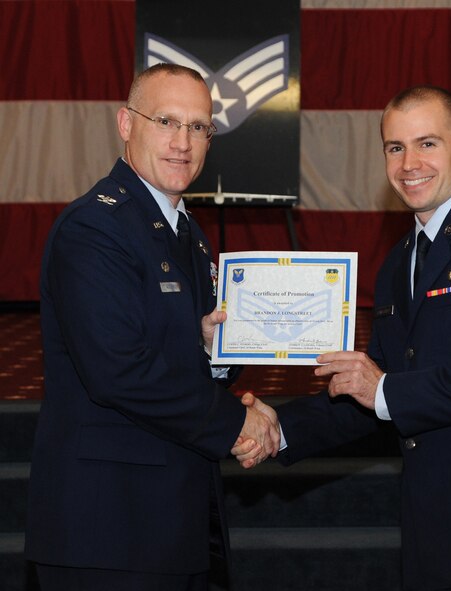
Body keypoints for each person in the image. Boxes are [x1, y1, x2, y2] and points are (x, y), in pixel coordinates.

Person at [237, 85, 451, 590]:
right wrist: (279, 427)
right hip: (433, 532)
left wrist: (385, 391)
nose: (408, 163)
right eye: (395, 148)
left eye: (427, 144)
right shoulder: (400, 261)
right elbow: (369, 388)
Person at [25, 63, 279, 591]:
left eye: (198, 126)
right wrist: (237, 422)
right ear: (125, 123)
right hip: (106, 530)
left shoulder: (188, 233)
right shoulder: (95, 228)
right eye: (165, 121)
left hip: (169, 519)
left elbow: (176, 354)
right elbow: (118, 371)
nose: (182, 142)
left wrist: (218, 350)